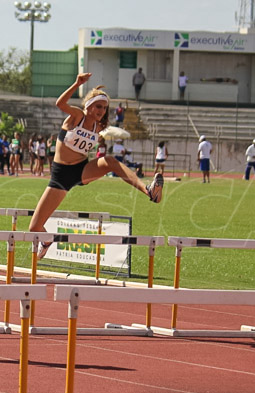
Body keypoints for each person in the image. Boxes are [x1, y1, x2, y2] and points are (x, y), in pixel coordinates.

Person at [29, 73, 164, 259]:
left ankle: (149, 191)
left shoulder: (99, 128)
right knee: (34, 227)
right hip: (60, 176)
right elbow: (60, 104)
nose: (101, 110)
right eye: (98, 106)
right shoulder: (77, 116)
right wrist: (77, 83)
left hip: (81, 170)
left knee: (110, 161)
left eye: (104, 108)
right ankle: (46, 241)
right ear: (89, 105)